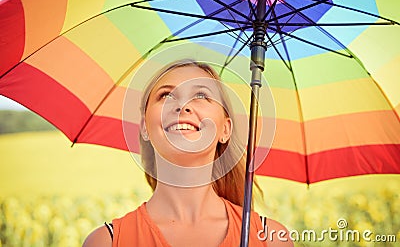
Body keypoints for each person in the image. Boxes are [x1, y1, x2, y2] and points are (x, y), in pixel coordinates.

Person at [83, 60, 293, 247]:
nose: (182, 106)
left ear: (225, 130)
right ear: (145, 127)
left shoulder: (271, 239)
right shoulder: (106, 242)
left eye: (201, 95)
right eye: (166, 95)